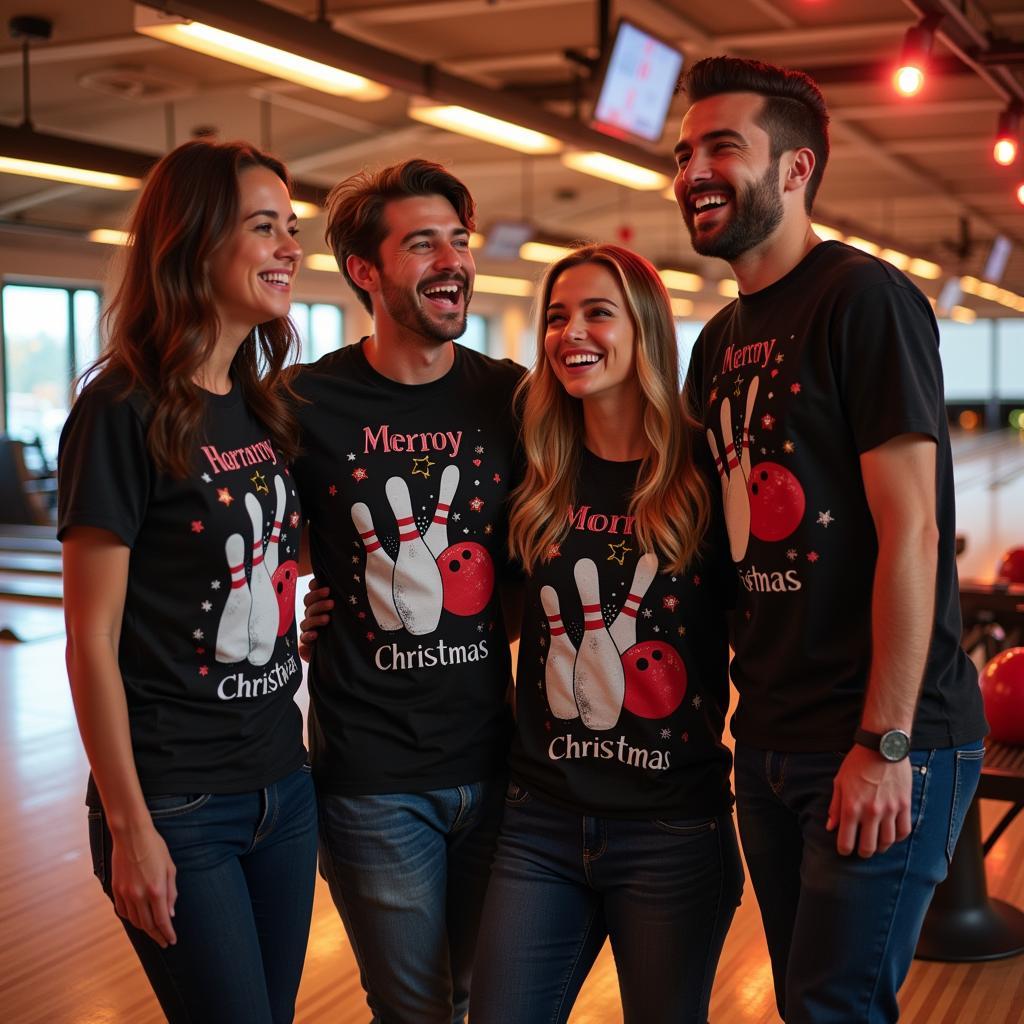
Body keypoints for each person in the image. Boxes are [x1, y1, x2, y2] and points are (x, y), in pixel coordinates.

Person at [674, 56, 988, 1022]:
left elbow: (916, 533)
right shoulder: (718, 342)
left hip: (881, 737)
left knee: (831, 1007)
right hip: (767, 738)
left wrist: (885, 742)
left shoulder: (864, 299)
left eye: (723, 147)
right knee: (814, 1000)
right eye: (684, 153)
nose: (694, 171)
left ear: (797, 168)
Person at [58, 140, 317, 1024]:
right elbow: (90, 638)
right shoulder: (121, 406)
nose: (290, 247)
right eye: (263, 227)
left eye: (292, 228)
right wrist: (131, 827)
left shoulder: (263, 402)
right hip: (178, 802)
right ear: (194, 240)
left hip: (284, 783)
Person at [465, 243, 742, 1024]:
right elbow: (494, 609)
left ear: (644, 329)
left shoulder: (702, 471)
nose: (569, 332)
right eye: (556, 316)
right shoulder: (539, 467)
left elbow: (757, 628)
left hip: (671, 830)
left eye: (596, 312)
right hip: (539, 822)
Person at [287, 159, 523, 1023]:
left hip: (500, 766)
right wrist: (292, 610)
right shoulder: (305, 401)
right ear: (364, 270)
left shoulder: (510, 397)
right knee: (416, 1008)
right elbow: (253, 540)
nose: (452, 260)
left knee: (475, 995)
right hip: (371, 777)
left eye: (459, 240)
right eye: (421, 243)